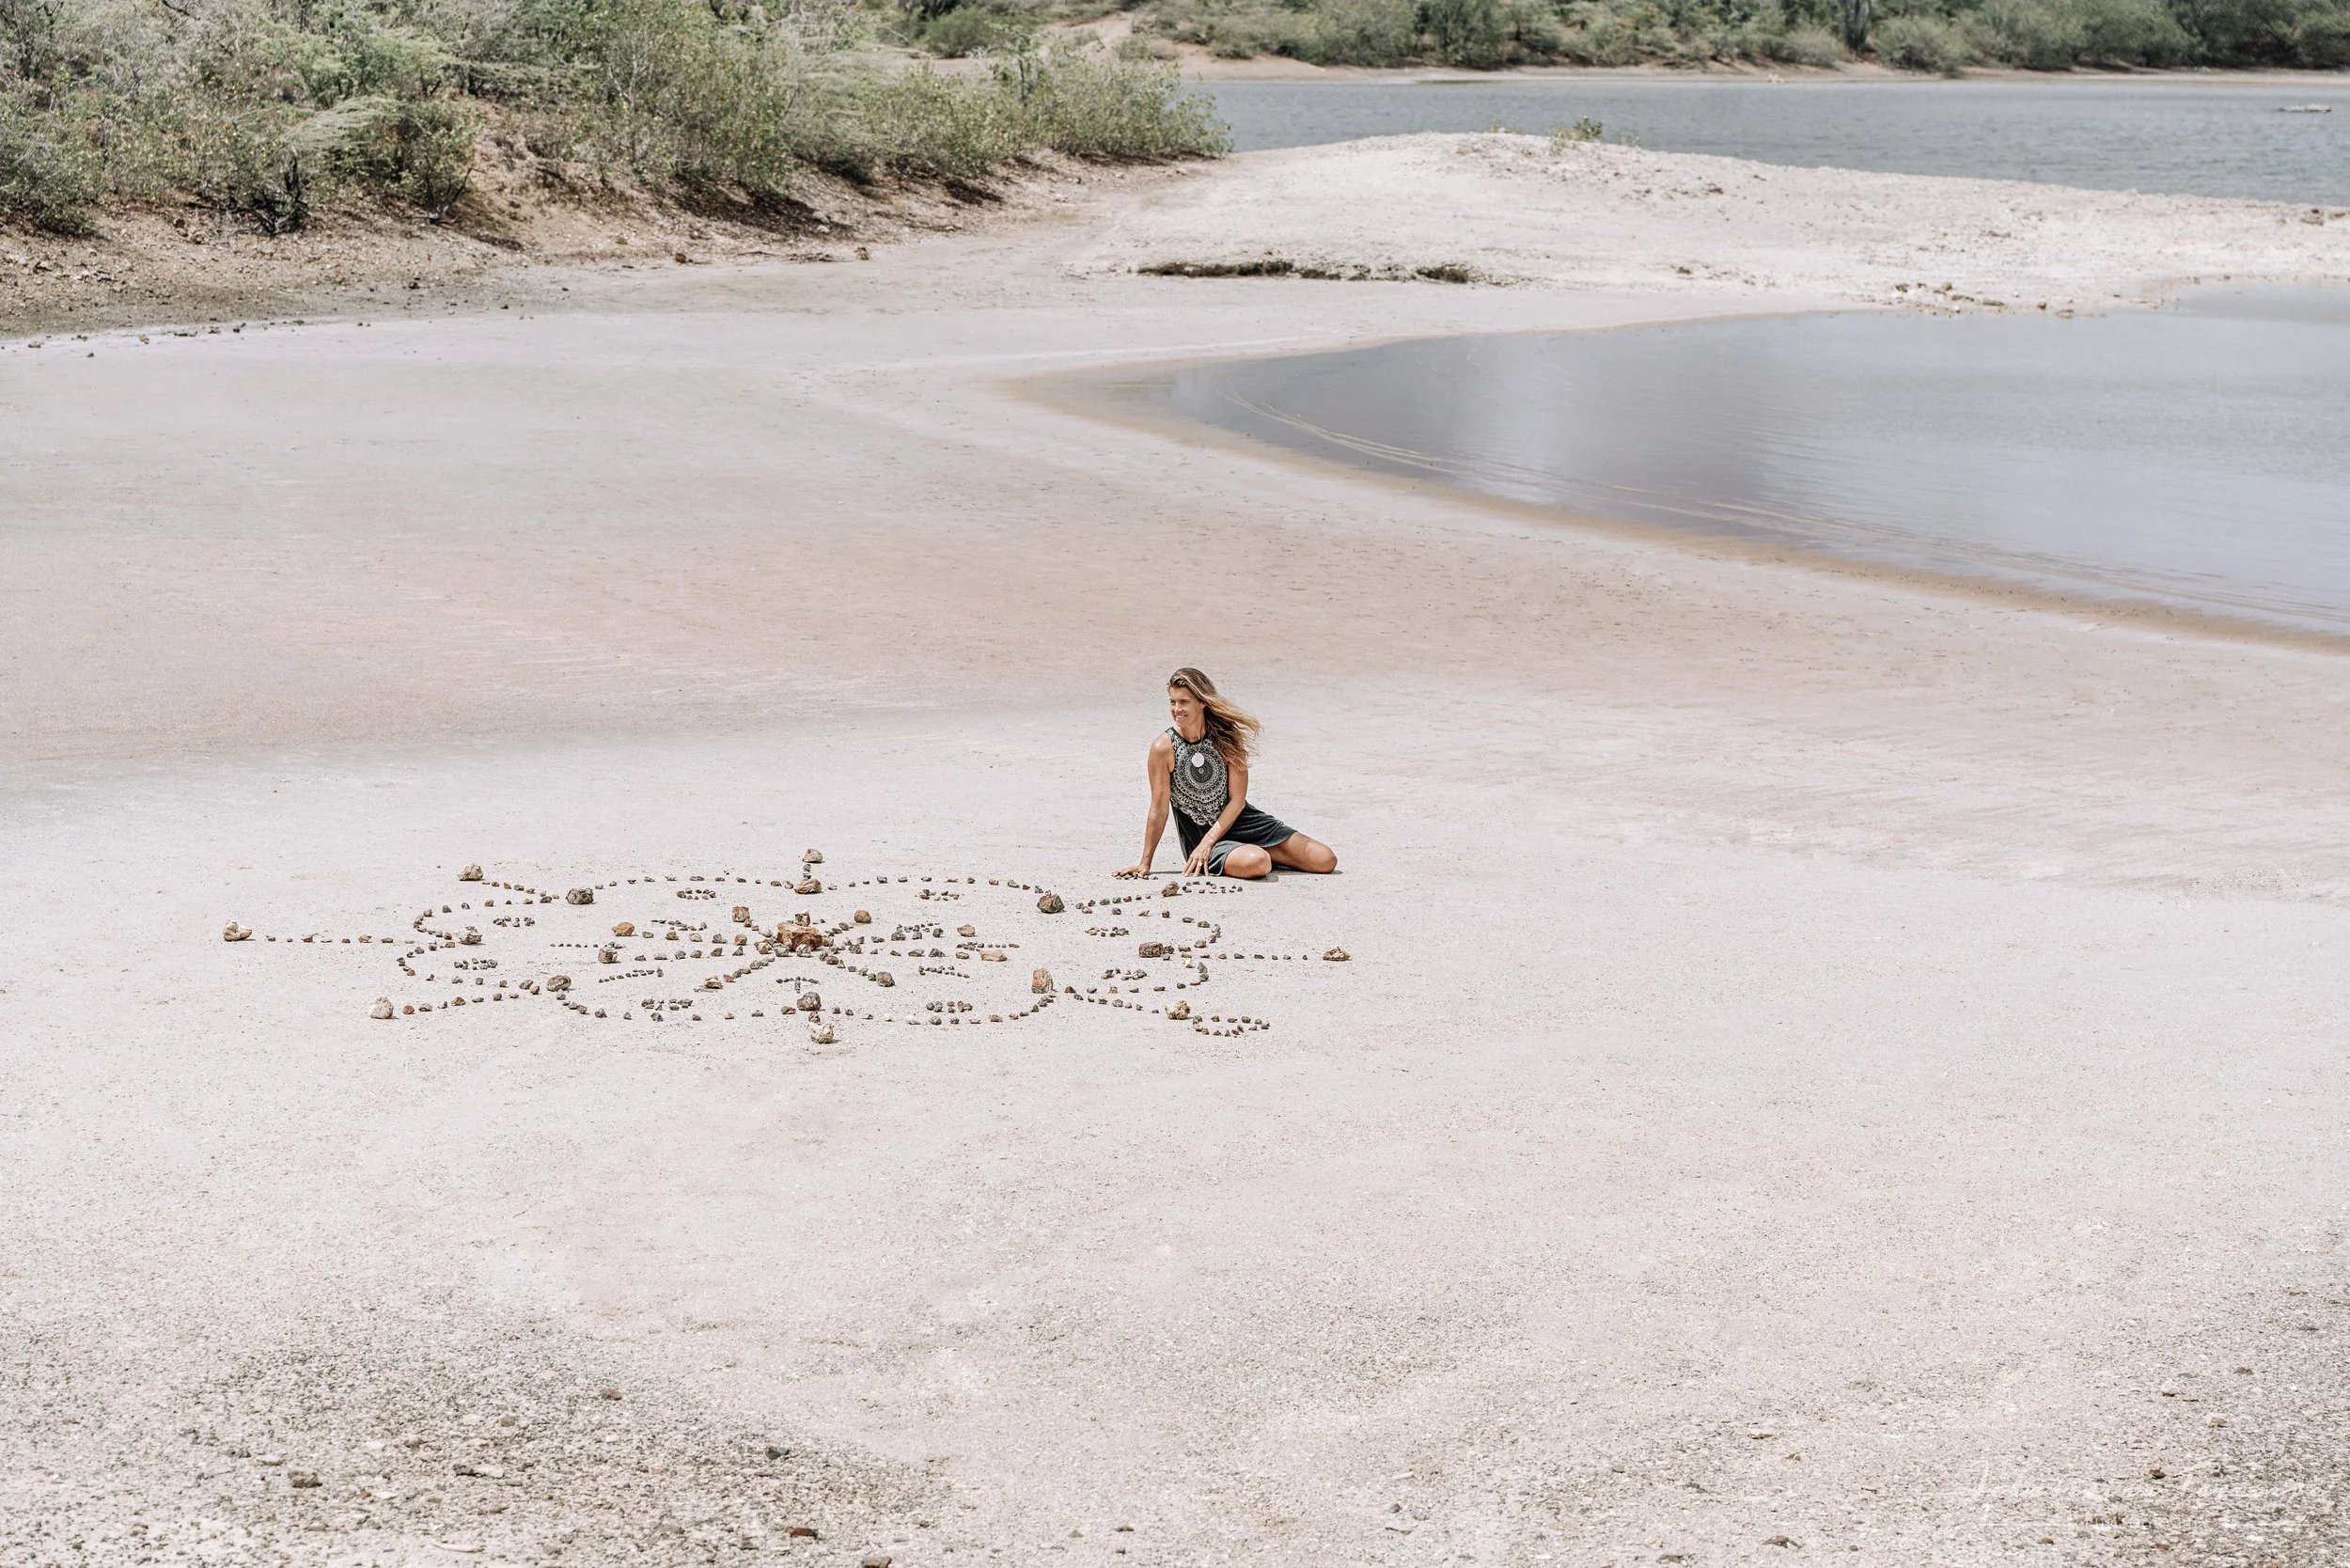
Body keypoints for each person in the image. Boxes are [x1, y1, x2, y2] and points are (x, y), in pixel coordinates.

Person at [1115, 668, 1338, 881]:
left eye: (1184, 702)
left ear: (1202, 702)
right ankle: (1249, 854)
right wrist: (1145, 863)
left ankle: (1257, 850)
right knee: (1258, 863)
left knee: (1325, 860)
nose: (1176, 709)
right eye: (1172, 702)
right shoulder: (1163, 748)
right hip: (1200, 837)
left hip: (1243, 822)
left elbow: (1237, 800)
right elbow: (1159, 808)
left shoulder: (1226, 738)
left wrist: (1210, 841)